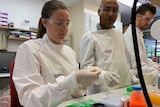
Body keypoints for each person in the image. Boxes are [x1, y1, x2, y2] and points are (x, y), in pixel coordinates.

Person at [12, 0, 100, 107]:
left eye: (67, 23)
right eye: (59, 23)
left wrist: (84, 83)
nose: (65, 29)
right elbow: (30, 99)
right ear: (44, 22)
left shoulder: (70, 52)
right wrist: (72, 80)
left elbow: (76, 94)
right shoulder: (29, 49)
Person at [80, 0, 138, 95]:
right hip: (102, 93)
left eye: (115, 10)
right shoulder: (90, 37)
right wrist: (104, 75)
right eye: (107, 9)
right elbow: (86, 69)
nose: (111, 14)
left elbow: (124, 63)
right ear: (99, 11)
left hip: (124, 90)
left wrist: (133, 78)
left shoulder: (120, 36)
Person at [124, 3, 159, 81]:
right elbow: (138, 67)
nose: (149, 23)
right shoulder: (131, 35)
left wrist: (154, 65)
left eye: (151, 20)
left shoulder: (138, 34)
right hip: (135, 82)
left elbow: (142, 59)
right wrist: (158, 74)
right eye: (147, 19)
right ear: (138, 17)